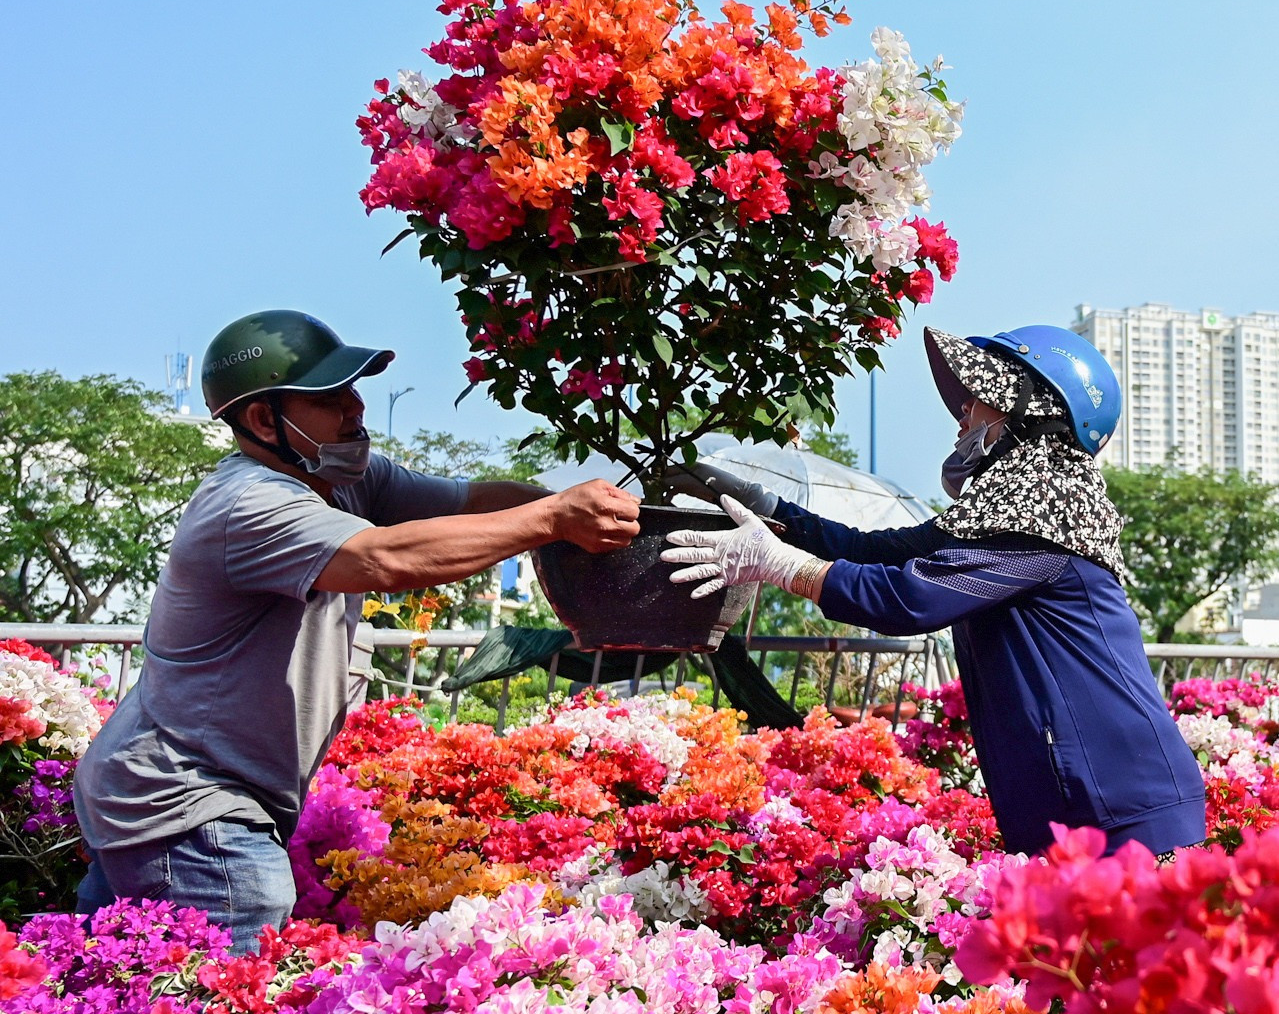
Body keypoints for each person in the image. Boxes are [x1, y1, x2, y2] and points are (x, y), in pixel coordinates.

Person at [74, 309, 639, 949]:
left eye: (352, 389)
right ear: (263, 420)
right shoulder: (248, 502)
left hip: (165, 794)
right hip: (190, 804)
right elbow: (382, 559)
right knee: (220, 993)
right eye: (330, 397)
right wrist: (553, 519)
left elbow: (468, 503)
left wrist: (607, 511)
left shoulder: (341, 478)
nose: (356, 407)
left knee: (117, 992)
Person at [663, 324, 1205, 858]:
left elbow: (911, 599)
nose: (961, 417)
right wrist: (766, 506)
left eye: (977, 400)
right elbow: (875, 551)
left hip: (1123, 807)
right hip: (1080, 807)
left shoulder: (1046, 522)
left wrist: (781, 565)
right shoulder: (1003, 519)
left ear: (1030, 411)